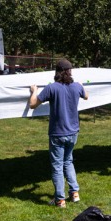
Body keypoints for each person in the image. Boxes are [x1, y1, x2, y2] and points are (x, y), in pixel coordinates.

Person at [29, 59, 88, 208]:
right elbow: (86, 96)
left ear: (57, 72)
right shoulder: (76, 87)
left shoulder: (51, 88)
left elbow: (32, 104)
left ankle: (60, 200)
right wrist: (81, 86)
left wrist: (34, 91)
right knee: (68, 161)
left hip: (57, 133)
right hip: (73, 131)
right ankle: (74, 193)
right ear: (70, 71)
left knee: (57, 165)